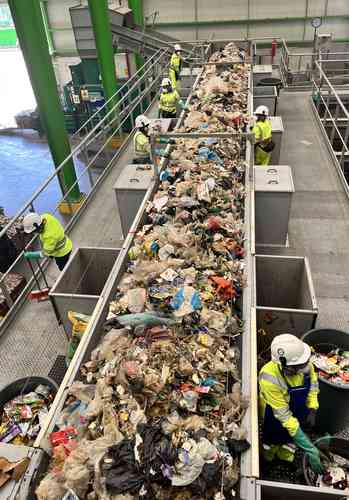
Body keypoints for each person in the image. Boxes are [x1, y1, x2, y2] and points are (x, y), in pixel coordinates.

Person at [259, 333, 323, 474]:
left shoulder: (306, 366)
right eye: (301, 365)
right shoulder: (269, 377)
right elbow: (284, 416)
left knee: (289, 442)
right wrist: (308, 447)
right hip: (274, 416)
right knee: (271, 441)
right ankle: (267, 460)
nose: (306, 367)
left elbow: (313, 386)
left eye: (305, 362)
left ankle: (286, 456)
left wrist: (313, 408)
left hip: (298, 412)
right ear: (287, 367)